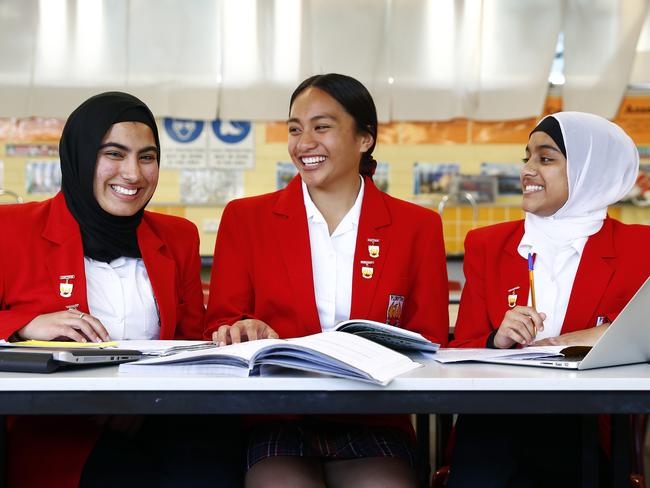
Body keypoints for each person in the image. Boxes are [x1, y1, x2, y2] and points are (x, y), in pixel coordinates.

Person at [205, 73, 449, 487]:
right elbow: (216, 326)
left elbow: (430, 339)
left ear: (365, 139)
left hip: (375, 415)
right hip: (277, 415)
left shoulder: (416, 226)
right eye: (295, 129)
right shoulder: (246, 219)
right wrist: (240, 330)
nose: (304, 143)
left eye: (322, 127)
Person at [0, 92, 242, 488]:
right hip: (62, 430)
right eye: (114, 154)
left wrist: (144, 400)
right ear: (80, 156)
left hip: (164, 419)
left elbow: (191, 342)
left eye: (147, 157)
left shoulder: (177, 237)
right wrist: (24, 325)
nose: (133, 173)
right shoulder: (12, 229)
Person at [448, 112, 650, 487]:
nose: (527, 169)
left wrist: (584, 337)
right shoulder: (488, 245)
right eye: (526, 157)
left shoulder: (639, 247)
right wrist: (497, 340)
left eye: (545, 158)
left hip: (586, 423)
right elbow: (459, 347)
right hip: (495, 419)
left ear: (593, 171)